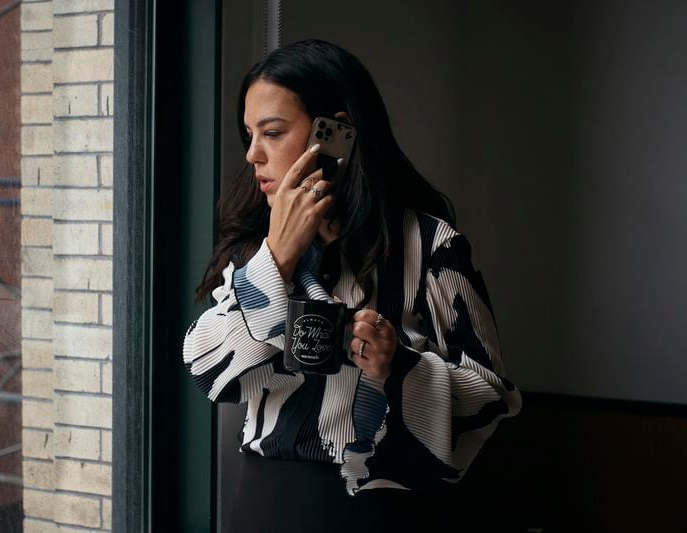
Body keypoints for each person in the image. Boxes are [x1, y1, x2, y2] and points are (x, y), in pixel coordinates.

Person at [183, 39, 522, 532]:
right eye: (249, 134)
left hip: (384, 511)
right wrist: (277, 258)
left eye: (272, 133)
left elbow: (491, 399)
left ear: (336, 132)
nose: (253, 153)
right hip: (264, 505)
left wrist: (400, 367)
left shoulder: (429, 243)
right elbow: (208, 371)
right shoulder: (258, 246)